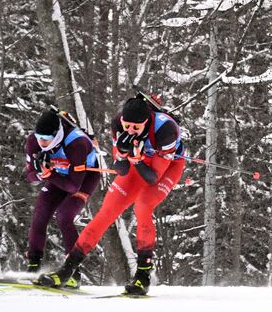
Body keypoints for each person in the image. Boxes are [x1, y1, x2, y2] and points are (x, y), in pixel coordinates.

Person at [38, 93, 186, 296]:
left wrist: (136, 159)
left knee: (143, 206)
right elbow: (121, 170)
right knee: (105, 213)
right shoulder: (117, 124)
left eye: (136, 128)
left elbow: (153, 177)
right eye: (127, 126)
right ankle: (67, 270)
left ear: (146, 122)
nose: (130, 131)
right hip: (138, 165)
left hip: (166, 168)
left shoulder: (166, 130)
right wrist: (124, 155)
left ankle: (143, 276)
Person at [23, 108, 102, 285]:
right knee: (40, 215)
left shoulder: (77, 143)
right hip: (59, 177)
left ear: (56, 134)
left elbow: (74, 185)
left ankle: (73, 272)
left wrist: (48, 174)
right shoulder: (33, 142)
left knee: (64, 216)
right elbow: (29, 177)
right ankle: (33, 266)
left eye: (46, 139)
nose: (42, 142)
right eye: (39, 137)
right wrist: (38, 173)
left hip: (84, 178)